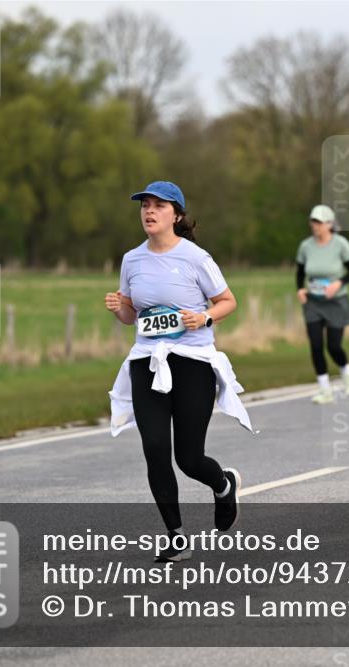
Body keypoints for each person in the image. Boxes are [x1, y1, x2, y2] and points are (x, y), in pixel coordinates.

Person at [106, 181, 251, 563]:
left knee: (188, 458)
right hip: (146, 361)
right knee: (154, 448)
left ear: (177, 215)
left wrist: (203, 316)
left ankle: (223, 485)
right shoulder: (131, 260)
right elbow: (131, 316)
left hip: (192, 363)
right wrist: (119, 307)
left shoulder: (195, 258)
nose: (149, 211)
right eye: (144, 206)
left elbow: (227, 301)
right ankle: (176, 536)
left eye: (158, 206)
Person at [296, 204, 349, 404]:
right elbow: (300, 272)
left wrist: (338, 283)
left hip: (336, 301)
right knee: (316, 345)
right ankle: (325, 390)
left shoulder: (341, 244)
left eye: (319, 222)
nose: (315, 226)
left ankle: (347, 371)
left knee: (333, 346)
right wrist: (300, 289)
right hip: (313, 302)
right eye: (313, 222)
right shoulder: (306, 246)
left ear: (329, 224)